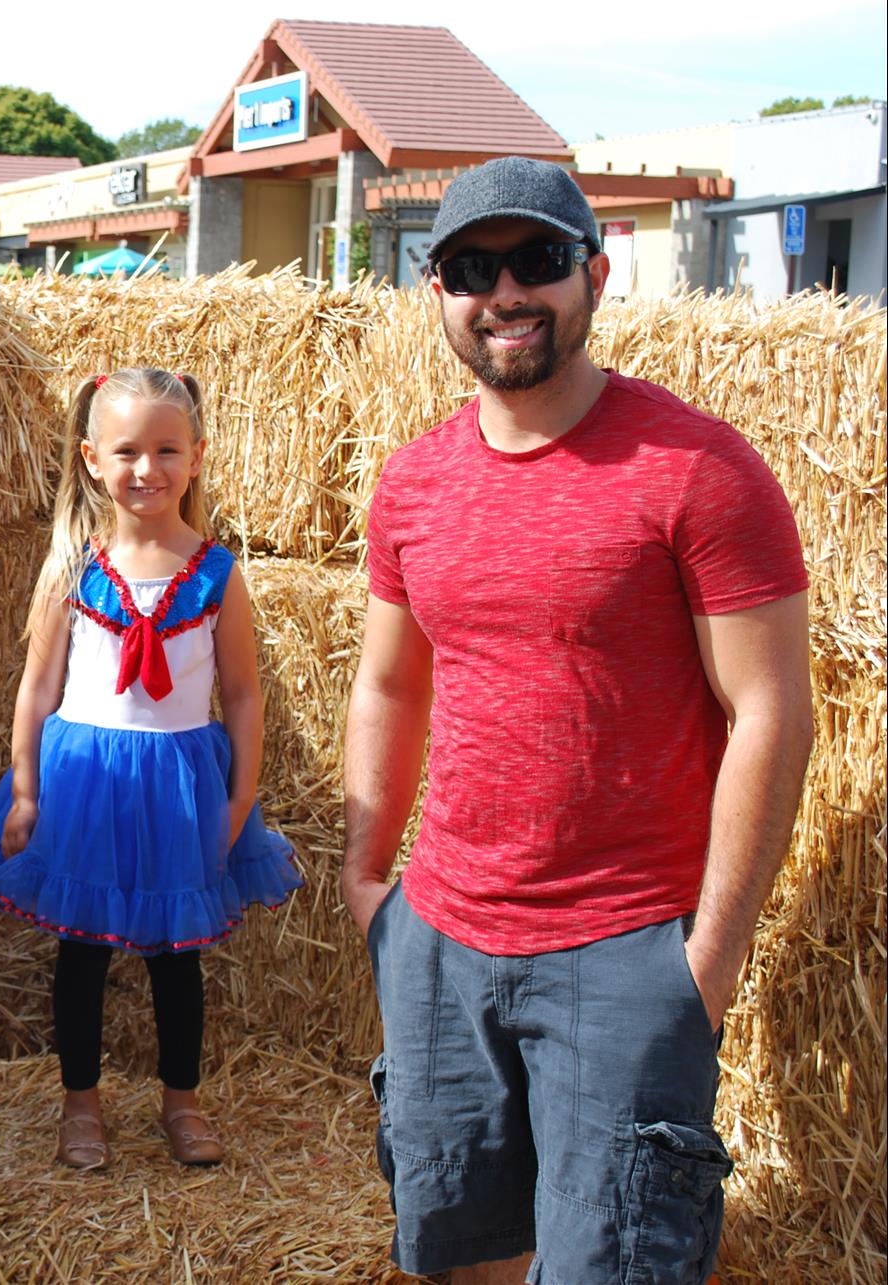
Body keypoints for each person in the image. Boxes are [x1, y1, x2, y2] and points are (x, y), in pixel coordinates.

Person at [342, 157, 815, 1282]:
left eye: (538, 261)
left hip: (624, 955)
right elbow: (388, 685)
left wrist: (708, 956)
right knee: (453, 1251)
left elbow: (773, 713)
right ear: (437, 292)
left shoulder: (700, 471)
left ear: (595, 275)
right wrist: (372, 888)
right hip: (440, 943)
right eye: (471, 268)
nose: (505, 294)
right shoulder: (412, 484)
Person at [0, 368, 300, 1170]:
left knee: (177, 958)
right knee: (81, 955)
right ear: (91, 459)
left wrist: (242, 791)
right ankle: (82, 1106)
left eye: (168, 449)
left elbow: (243, 693)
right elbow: (37, 686)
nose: (148, 468)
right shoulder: (72, 568)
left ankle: (182, 1100)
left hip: (179, 784)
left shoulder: (216, 574)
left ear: (198, 456)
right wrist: (27, 787)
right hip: (85, 785)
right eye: (128, 451)